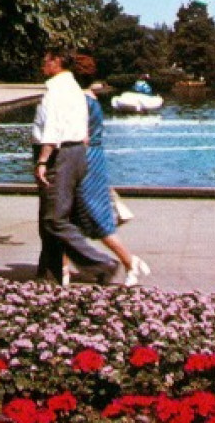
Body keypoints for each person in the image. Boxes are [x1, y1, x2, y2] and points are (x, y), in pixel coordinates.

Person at [32, 48, 124, 285]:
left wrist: (43, 159)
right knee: (49, 218)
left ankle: (101, 264)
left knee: (54, 219)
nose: (43, 63)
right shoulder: (74, 88)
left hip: (58, 155)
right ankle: (48, 274)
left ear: (57, 62)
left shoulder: (56, 90)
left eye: (46, 60)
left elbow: (52, 128)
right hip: (75, 153)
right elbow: (84, 130)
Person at [65, 59, 152, 286]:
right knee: (70, 218)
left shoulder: (80, 101)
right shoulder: (92, 99)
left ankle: (130, 262)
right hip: (95, 158)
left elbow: (80, 136)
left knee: (92, 216)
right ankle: (64, 268)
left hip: (84, 161)